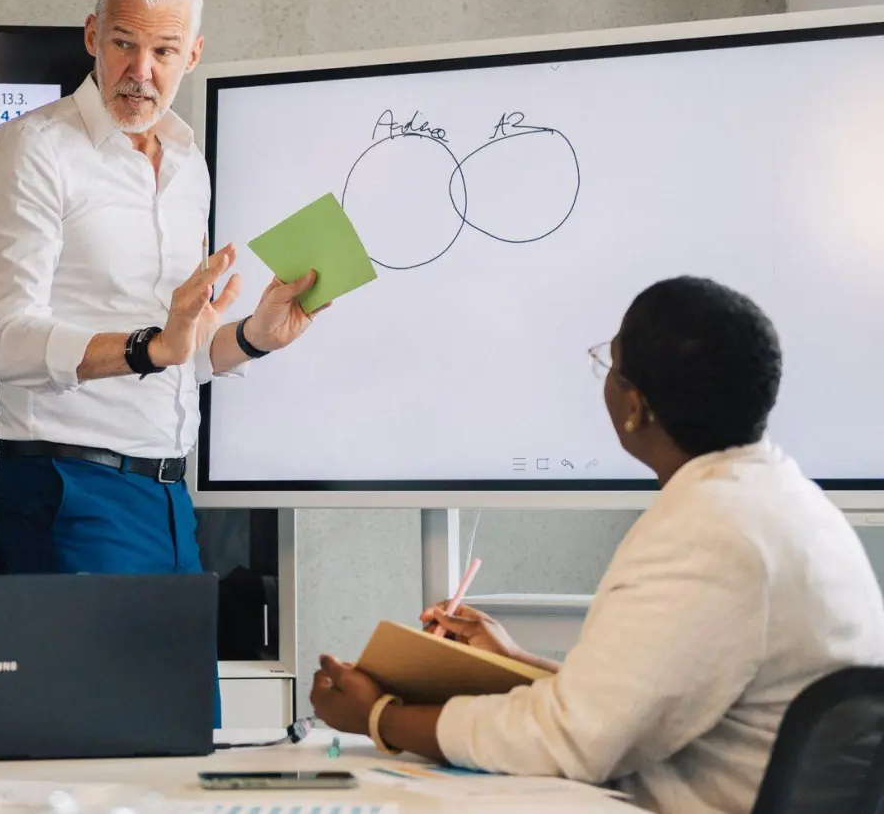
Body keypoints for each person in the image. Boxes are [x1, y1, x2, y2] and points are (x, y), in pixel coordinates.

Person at [309, 276, 884, 814]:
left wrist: (380, 717)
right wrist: (510, 664)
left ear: (635, 407)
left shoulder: (711, 534)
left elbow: (573, 742)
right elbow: (629, 707)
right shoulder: (778, 499)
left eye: (610, 364)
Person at [0, 0, 325, 580]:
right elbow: (6, 343)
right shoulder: (32, 151)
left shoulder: (189, 166)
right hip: (69, 488)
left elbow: (173, 356)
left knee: (186, 686)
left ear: (192, 55)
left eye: (164, 51)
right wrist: (150, 346)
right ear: (91, 37)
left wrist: (250, 339)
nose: (141, 71)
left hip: (166, 494)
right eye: (123, 44)